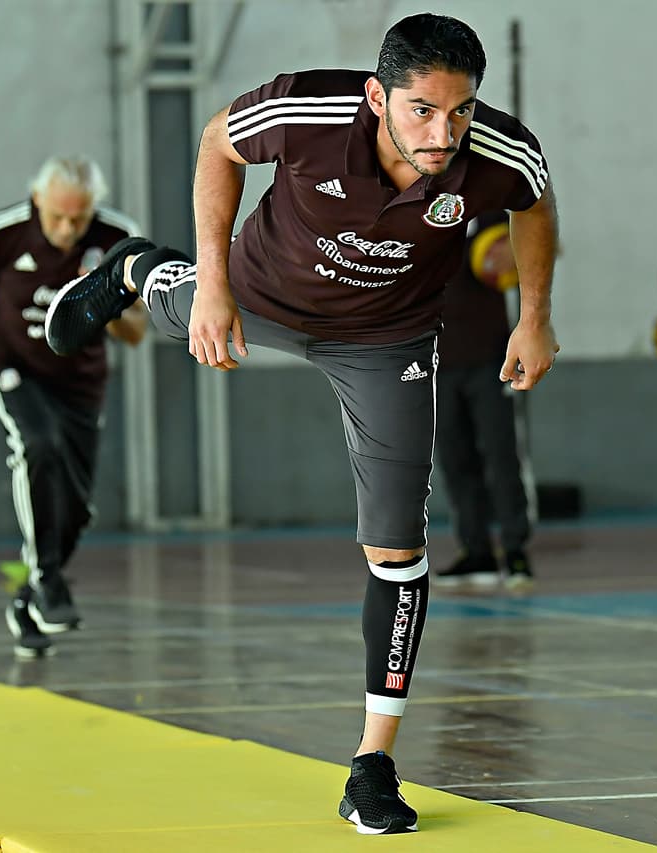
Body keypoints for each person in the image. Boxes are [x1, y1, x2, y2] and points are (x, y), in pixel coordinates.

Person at [44, 14, 559, 834]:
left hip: (386, 337)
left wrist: (534, 317)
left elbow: (534, 201)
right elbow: (217, 143)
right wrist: (214, 284)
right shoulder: (304, 111)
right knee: (186, 310)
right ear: (377, 97)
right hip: (263, 291)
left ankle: (372, 764)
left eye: (460, 111)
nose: (443, 132)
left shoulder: (497, 152)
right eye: (422, 110)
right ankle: (136, 268)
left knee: (399, 548)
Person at [0, 156, 146, 658]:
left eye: (78, 219)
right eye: (57, 216)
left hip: (80, 384)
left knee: (74, 511)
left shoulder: (118, 239)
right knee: (38, 443)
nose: (66, 229)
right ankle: (47, 581)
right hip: (12, 366)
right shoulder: (1, 233)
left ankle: (28, 600)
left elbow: (136, 334)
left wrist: (103, 299)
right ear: (38, 201)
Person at [434, 210, 535, 589]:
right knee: (456, 459)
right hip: (438, 361)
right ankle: (477, 550)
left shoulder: (489, 211)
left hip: (492, 360)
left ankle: (515, 550)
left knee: (501, 455)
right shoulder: (417, 214)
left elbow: (530, 247)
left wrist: (512, 254)